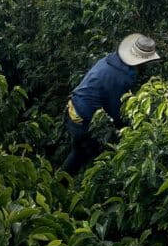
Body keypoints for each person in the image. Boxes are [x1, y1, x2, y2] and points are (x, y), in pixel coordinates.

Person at [62, 33, 160, 176]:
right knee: (96, 159)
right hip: (83, 119)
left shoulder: (111, 60)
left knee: (78, 154)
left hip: (74, 107)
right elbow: (116, 111)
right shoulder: (121, 77)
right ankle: (72, 188)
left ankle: (60, 184)